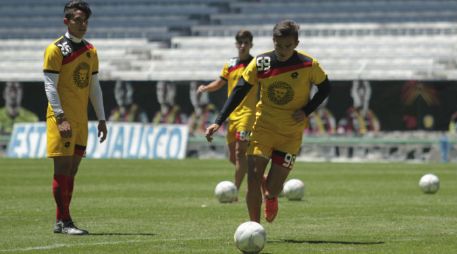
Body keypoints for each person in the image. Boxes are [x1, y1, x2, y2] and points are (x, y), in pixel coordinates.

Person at [205, 20, 331, 223]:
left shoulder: (309, 65)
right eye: (278, 45)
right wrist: (218, 121)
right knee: (253, 178)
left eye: (288, 46)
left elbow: (325, 88)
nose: (282, 50)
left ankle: (271, 197)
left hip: (290, 134)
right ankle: (254, 227)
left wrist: (307, 110)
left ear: (296, 43)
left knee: (273, 187)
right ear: (273, 41)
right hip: (263, 128)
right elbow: (239, 90)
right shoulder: (262, 63)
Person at [43, 0, 107, 235]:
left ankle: (62, 221)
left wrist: (101, 118)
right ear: (66, 21)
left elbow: (94, 87)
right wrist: (60, 117)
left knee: (72, 171)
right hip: (61, 118)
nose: (82, 25)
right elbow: (49, 85)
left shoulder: (91, 51)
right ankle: (64, 221)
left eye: (85, 21)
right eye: (77, 20)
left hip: (81, 119)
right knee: (63, 168)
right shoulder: (56, 49)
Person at [197, 30, 257, 192]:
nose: (243, 45)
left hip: (248, 115)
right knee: (233, 157)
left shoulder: (255, 65)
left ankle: (234, 191)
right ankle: (259, 176)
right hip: (232, 115)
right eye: (240, 42)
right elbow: (219, 82)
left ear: (251, 45)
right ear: (236, 44)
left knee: (239, 153)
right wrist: (206, 88)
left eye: (246, 42)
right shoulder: (230, 64)